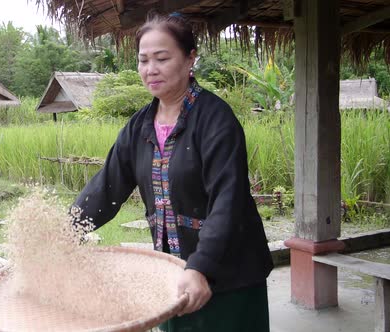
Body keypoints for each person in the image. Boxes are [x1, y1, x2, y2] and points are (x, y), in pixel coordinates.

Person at [71, 13, 273, 332]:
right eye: (143, 60)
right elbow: (105, 189)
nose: (151, 69)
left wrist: (201, 267)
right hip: (173, 276)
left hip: (229, 276)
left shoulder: (216, 120)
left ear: (189, 58)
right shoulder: (138, 128)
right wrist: (62, 233)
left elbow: (227, 201)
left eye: (162, 58)